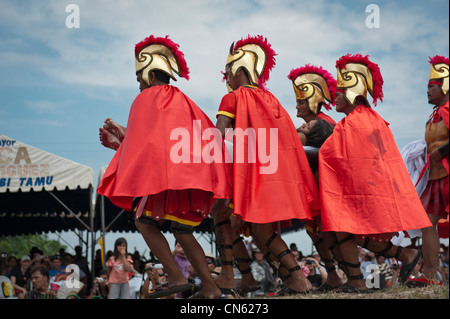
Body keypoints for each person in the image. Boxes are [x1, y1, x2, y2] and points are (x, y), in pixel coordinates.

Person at [97, 35, 231, 299]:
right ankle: (212, 289)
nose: (138, 84)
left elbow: (146, 143)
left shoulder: (146, 99)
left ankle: (176, 276)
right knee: (182, 229)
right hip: (190, 174)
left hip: (168, 178)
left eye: (139, 78)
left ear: (149, 74)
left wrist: (122, 139)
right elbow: (166, 139)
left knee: (144, 222)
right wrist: (123, 136)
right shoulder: (184, 100)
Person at [212, 35, 320, 296]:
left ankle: (283, 278)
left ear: (239, 71)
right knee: (256, 230)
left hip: (254, 176)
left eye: (226, 71)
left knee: (225, 218)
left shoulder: (233, 98)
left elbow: (218, 135)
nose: (224, 77)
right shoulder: (272, 99)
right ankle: (286, 278)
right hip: (278, 175)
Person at [318, 53, 433, 293]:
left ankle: (358, 281)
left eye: (338, 92)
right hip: (371, 186)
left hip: (363, 188)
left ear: (352, 92)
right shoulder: (369, 118)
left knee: (344, 227)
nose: (333, 97)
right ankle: (404, 254)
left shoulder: (355, 121)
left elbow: (331, 154)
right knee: (348, 231)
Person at [288, 64, 343, 292]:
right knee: (315, 231)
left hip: (325, 187)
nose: (297, 105)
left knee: (329, 232)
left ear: (312, 101)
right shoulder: (315, 123)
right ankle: (333, 276)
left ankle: (349, 274)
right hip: (317, 186)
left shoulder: (324, 123)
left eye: (301, 101)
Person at [419, 55, 449, 282]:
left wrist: (441, 152)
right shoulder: (433, 116)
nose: (427, 90)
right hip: (436, 179)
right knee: (426, 222)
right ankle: (429, 274)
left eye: (431, 86)